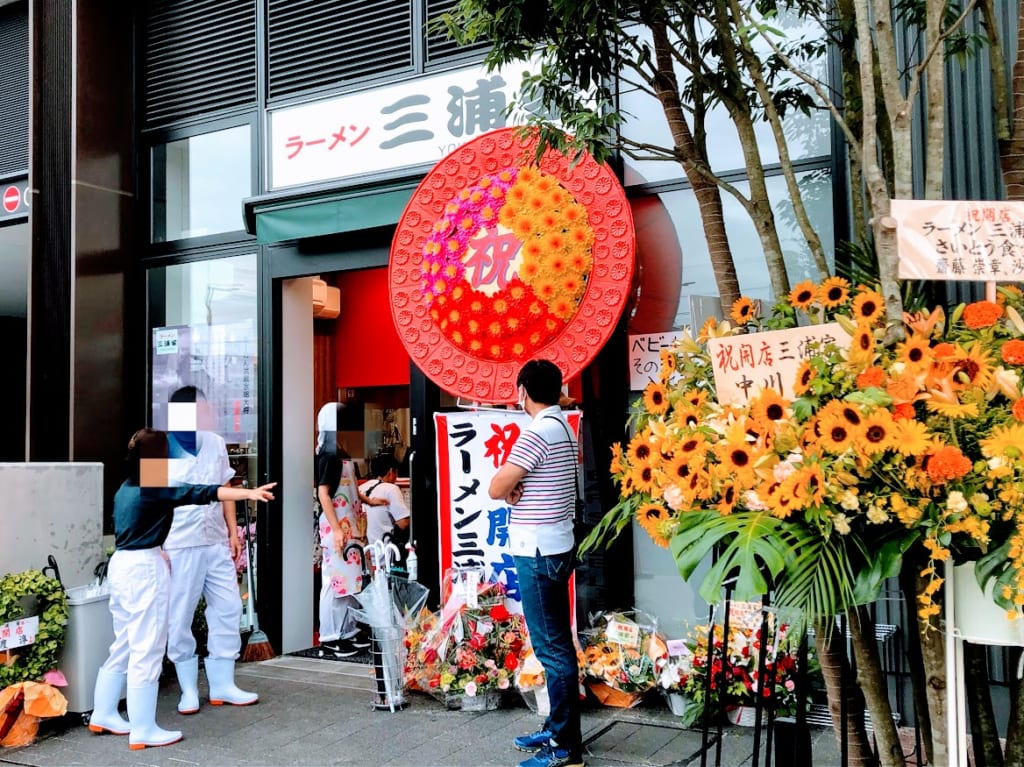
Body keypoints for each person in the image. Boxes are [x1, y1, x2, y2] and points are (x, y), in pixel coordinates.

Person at [88, 429, 275, 751]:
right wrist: (248, 494)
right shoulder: (154, 489)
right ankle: (143, 728)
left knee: (127, 643)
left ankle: (104, 712)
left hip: (122, 564)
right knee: (147, 647)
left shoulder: (125, 488)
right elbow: (200, 493)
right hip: (145, 568)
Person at [489, 359, 583, 767]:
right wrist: (518, 491)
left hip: (538, 552)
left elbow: (496, 486)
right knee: (556, 643)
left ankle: (565, 747)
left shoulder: (537, 431)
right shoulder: (562, 426)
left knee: (553, 648)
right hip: (556, 545)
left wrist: (511, 489)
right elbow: (526, 485)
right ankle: (556, 726)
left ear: (523, 391)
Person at [162, 386, 257, 716]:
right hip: (179, 543)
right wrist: (154, 544)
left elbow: (225, 487)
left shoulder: (215, 442)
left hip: (215, 539)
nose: (207, 414)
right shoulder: (160, 447)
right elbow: (149, 500)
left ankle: (222, 684)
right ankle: (188, 689)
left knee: (229, 607)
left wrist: (233, 531)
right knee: (179, 617)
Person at [315, 402, 381, 657]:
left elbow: (346, 488)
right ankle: (330, 637)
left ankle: (347, 631)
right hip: (338, 527)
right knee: (335, 583)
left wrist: (367, 500)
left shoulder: (338, 451)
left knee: (352, 580)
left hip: (348, 525)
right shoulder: (329, 455)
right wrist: (336, 529)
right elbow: (323, 493)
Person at [358, 453, 410, 546]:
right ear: (390, 471)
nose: (396, 477)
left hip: (363, 551)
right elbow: (404, 524)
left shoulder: (360, 488)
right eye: (396, 472)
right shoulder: (391, 489)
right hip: (384, 552)